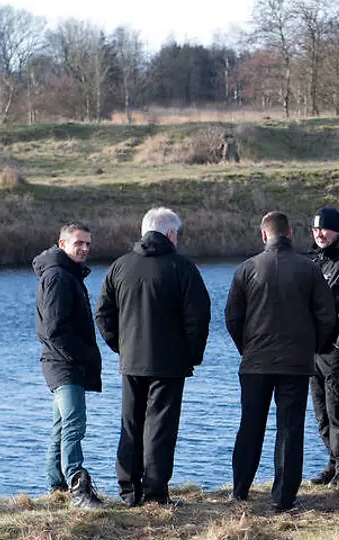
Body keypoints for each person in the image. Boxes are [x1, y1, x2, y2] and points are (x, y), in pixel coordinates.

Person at [95, 207, 211, 506]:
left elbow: (103, 313)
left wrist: (121, 346)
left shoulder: (119, 266)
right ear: (170, 234)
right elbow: (198, 317)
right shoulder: (182, 267)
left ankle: (128, 491)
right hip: (170, 363)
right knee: (160, 426)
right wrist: (192, 355)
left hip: (131, 360)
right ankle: (155, 493)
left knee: (130, 423)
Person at [225, 211, 336, 512]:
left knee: (250, 425)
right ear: (289, 234)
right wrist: (314, 347)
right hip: (296, 363)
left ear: (264, 236)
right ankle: (284, 497)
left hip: (255, 362)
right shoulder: (309, 269)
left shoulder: (246, 269)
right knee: (290, 428)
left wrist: (245, 347)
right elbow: (327, 317)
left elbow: (233, 317)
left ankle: (240, 490)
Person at [33, 221, 104, 510]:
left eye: (88, 243)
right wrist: (81, 355)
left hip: (63, 360)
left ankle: (56, 486)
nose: (85, 248)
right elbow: (53, 329)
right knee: (75, 424)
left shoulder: (67, 273)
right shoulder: (58, 277)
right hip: (63, 363)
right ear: (62, 244)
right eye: (78, 243)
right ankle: (77, 488)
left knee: (62, 425)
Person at [306, 205, 339, 486]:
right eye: (315, 229)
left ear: (338, 230)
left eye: (324, 229)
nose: (319, 234)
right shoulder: (314, 259)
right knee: (322, 415)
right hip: (314, 351)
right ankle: (333, 461)